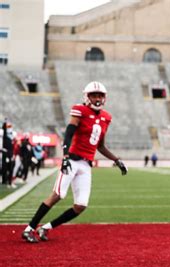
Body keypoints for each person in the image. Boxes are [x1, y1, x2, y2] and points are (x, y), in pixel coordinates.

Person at [22, 81, 128, 243]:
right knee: (57, 195)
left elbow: (100, 145)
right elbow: (69, 134)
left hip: (86, 164)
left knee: (81, 205)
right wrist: (65, 157)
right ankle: (29, 229)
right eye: (94, 95)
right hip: (72, 159)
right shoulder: (80, 110)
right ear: (87, 96)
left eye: (100, 95)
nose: (97, 98)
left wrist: (116, 160)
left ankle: (46, 228)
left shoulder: (106, 117)